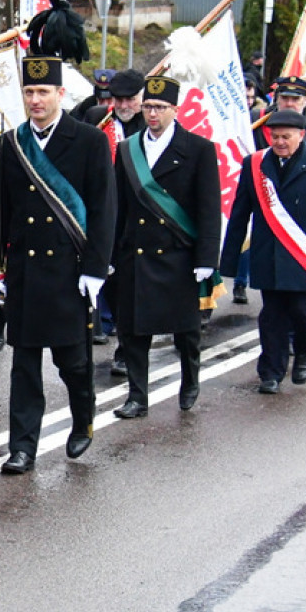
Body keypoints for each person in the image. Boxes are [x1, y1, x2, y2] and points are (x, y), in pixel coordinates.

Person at [0, 55, 116, 474]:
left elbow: (103, 209)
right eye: (29, 92)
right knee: (24, 365)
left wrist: (95, 269)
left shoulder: (89, 141)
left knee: (72, 361)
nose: (35, 100)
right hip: (23, 270)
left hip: (69, 273)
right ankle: (22, 446)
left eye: (43, 92)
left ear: (60, 94)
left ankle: (82, 417)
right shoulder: (10, 143)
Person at [110, 77, 221, 419]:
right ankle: (137, 396)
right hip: (137, 255)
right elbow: (119, 207)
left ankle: (190, 381)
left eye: (159, 107)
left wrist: (206, 259)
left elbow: (208, 208)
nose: (152, 113)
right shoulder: (129, 148)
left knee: (185, 330)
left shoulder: (199, 149)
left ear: (175, 109)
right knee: (132, 331)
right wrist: (111, 255)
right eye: (148, 107)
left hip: (178, 255)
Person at [219, 109, 306, 394]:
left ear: (301, 135)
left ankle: (303, 352)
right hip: (269, 256)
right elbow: (239, 214)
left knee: (302, 312)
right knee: (272, 315)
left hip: (305, 258)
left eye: (285, 137)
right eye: (274, 137)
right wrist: (228, 262)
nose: (279, 142)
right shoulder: (255, 165)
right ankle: (270, 373)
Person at [85, 68, 146, 371]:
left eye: (130, 100)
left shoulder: (151, 124)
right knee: (99, 286)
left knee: (129, 293)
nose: (123, 106)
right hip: (100, 219)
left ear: (142, 98)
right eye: (118, 99)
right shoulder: (97, 118)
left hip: (137, 224)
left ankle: (126, 350)